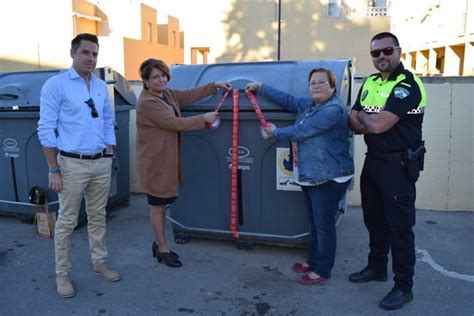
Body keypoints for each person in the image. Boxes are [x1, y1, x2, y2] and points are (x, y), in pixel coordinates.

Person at [246, 67, 354, 285]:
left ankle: (323, 270)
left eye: (321, 82)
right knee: (314, 222)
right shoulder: (310, 106)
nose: (315, 86)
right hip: (310, 174)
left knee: (324, 225)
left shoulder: (333, 109)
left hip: (330, 176)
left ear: (333, 87)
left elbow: (303, 131)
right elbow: (288, 100)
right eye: (312, 83)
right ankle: (313, 260)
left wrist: (275, 132)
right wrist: (261, 87)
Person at [37, 33, 120, 298]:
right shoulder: (56, 85)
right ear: (73, 53)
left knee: (98, 217)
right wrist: (53, 169)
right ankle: (62, 275)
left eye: (95, 54)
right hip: (71, 165)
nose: (91, 58)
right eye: (85, 53)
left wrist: (110, 148)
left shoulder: (98, 86)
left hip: (100, 163)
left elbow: (107, 119)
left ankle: (99, 262)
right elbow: (46, 129)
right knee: (67, 222)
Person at [348, 32, 427, 310]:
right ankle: (376, 267)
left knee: (400, 229)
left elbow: (377, 125)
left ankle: (404, 287)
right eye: (375, 52)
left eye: (386, 50)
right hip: (374, 162)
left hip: (398, 165)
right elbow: (353, 121)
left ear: (398, 51)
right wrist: (369, 120)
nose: (381, 56)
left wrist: (366, 120)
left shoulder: (408, 84)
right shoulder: (369, 82)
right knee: (374, 220)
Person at [136, 58, 231, 268]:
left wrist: (213, 86)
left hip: (166, 159)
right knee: (158, 206)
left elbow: (187, 95)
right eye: (155, 77)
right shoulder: (147, 103)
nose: (160, 80)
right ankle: (162, 248)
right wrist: (204, 118)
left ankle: (160, 243)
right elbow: (174, 123)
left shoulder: (166, 94)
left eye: (162, 75)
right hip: (155, 163)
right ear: (145, 81)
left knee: (162, 203)